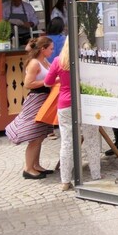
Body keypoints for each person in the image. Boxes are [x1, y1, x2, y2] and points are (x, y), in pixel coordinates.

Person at [45, 37, 101, 191]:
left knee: (67, 142)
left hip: (65, 104)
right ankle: (96, 175)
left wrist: (60, 79)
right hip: (86, 103)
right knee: (92, 139)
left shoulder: (58, 60)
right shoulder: (86, 59)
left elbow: (47, 82)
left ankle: (65, 180)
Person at [4, 37, 55, 179]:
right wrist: (47, 81)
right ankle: (28, 168)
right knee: (34, 136)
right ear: (43, 49)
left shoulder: (44, 61)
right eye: (50, 48)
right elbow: (28, 83)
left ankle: (36, 165)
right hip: (36, 100)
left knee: (40, 135)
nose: (52, 50)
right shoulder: (34, 63)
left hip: (44, 99)